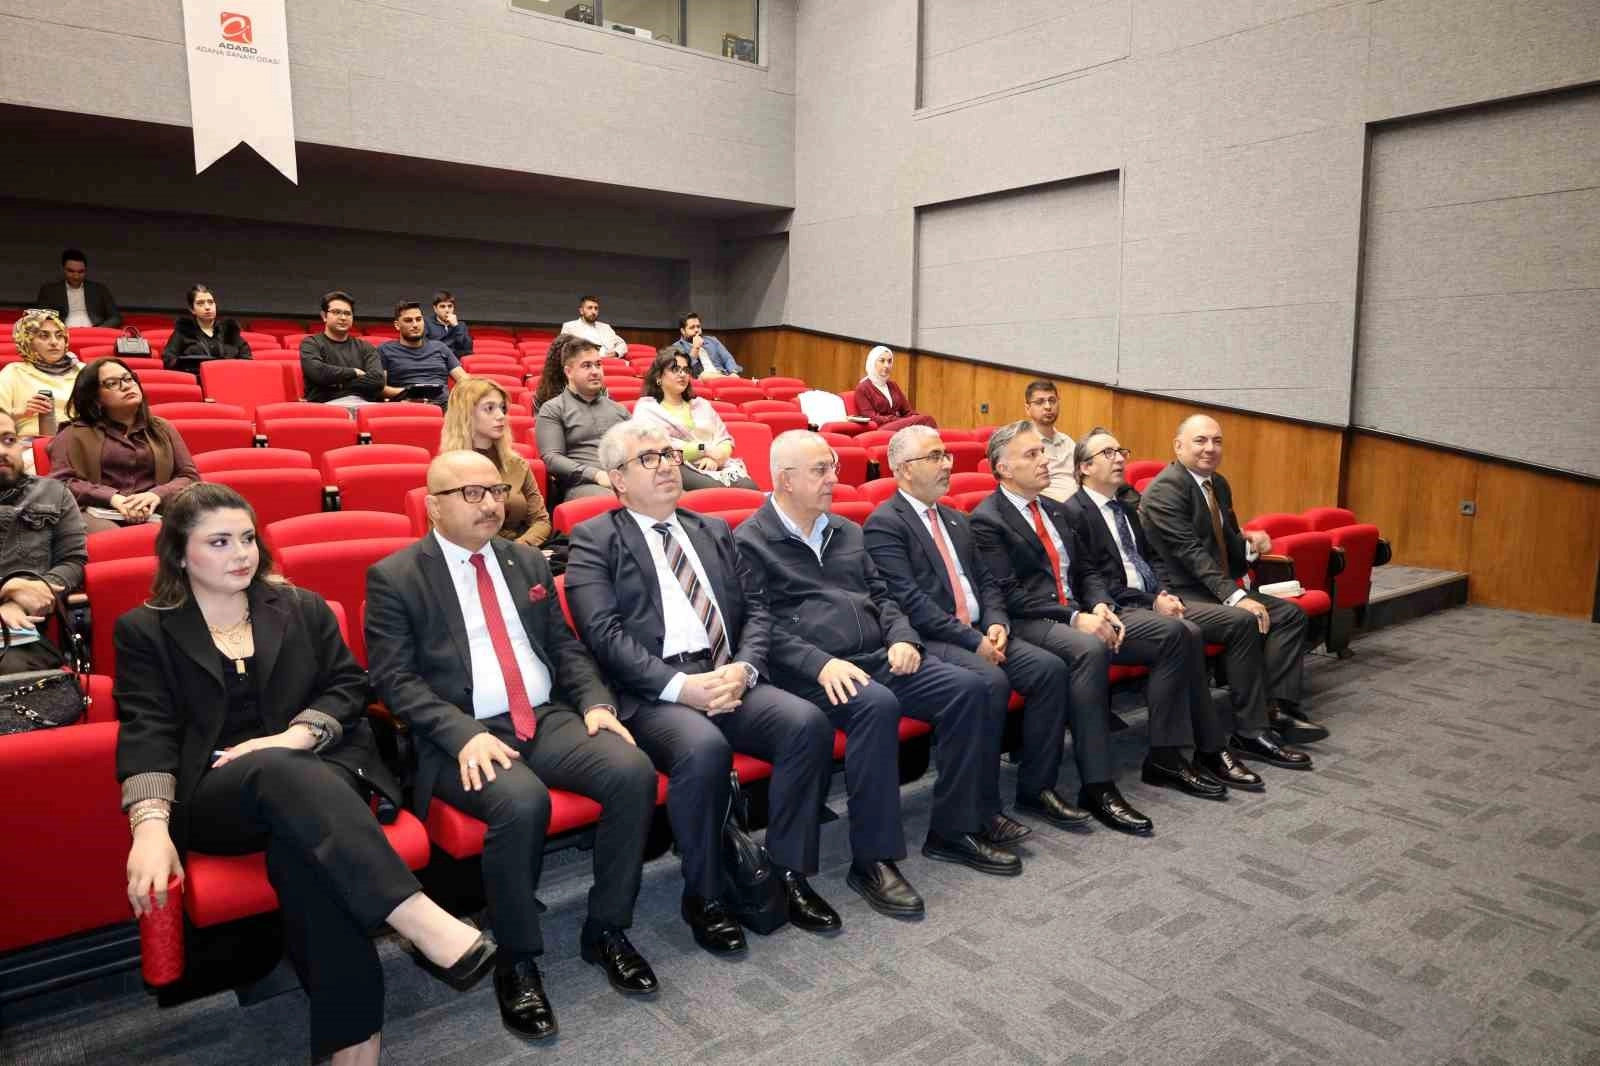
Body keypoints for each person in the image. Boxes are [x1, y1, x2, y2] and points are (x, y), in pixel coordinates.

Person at [116, 483, 496, 1065]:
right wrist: (148, 827)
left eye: (247, 538)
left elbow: (348, 687)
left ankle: (354, 1049)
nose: (241, 554)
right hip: (220, 795)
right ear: (179, 554)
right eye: (219, 542)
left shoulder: (301, 606)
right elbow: (148, 729)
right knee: (275, 775)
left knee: (306, 861)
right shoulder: (145, 630)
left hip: (322, 777)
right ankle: (414, 915)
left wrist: (293, 737)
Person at [365, 451, 660, 1041]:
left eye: (496, 491)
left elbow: (565, 647)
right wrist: (463, 733)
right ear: (434, 507)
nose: (491, 504)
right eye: (471, 494)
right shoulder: (396, 576)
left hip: (543, 717)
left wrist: (596, 704)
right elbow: (395, 681)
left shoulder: (524, 559)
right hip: (460, 734)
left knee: (632, 771)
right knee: (522, 802)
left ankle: (606, 928)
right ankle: (517, 957)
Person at [566, 421, 839, 954]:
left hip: (727, 672)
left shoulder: (711, 528)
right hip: (653, 691)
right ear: (618, 479)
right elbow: (603, 635)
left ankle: (787, 873)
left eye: (669, 454)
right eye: (649, 459)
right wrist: (680, 687)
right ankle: (706, 895)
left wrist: (745, 669)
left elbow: (756, 609)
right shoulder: (595, 539)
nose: (667, 465)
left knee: (806, 724)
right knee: (704, 748)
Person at [736, 430, 1017, 915]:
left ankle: (954, 830)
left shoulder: (846, 530)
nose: (833, 478)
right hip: (810, 671)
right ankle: (873, 858)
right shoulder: (750, 541)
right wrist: (820, 663)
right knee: (876, 705)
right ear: (784, 479)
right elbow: (760, 624)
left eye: (833, 467)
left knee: (970, 689)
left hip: (875, 657)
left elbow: (883, 597)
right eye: (820, 470)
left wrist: (902, 637)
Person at [863, 426, 1087, 832]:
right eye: (935, 457)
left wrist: (998, 621)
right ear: (904, 469)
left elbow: (987, 582)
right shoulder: (885, 523)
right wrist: (973, 639)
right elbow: (910, 601)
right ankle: (981, 809)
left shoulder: (954, 517)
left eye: (946, 455)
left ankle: (1037, 789)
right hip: (933, 638)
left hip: (982, 629)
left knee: (1049, 670)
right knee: (990, 681)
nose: (947, 464)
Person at [968, 422, 1158, 833]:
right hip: (1028, 620)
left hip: (1076, 612)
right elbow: (1009, 594)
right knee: (1088, 649)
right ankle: (1098, 786)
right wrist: (1075, 617)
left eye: (1043, 452)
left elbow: (1087, 571)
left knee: (1173, 634)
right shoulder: (987, 520)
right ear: (1003, 468)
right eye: (1032, 455)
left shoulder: (1056, 509)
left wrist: (1100, 604)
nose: (1045, 461)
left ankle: (1173, 755)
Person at [1060, 427, 1266, 795]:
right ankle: (1194, 751)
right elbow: (1091, 580)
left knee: (1205, 627)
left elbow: (1151, 560)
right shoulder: (1073, 513)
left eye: (1121, 451)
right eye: (1108, 453)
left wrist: (1162, 593)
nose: (1119, 458)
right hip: (1115, 609)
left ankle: (1204, 748)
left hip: (1149, 601)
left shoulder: (1126, 508)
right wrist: (1151, 602)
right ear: (1084, 468)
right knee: (1184, 633)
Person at [1139, 415, 1328, 761]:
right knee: (1245, 619)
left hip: (1213, 587)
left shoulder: (1218, 484)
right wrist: (1238, 597)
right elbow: (1192, 554)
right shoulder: (1166, 489)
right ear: (1178, 446)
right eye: (1200, 441)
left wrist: (1251, 545)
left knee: (1290, 615)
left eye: (1217, 441)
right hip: (1182, 593)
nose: (1210, 448)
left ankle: (1277, 709)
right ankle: (1250, 731)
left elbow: (1226, 543)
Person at [47, 359, 199, 533]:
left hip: (157, 510)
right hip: (97, 513)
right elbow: (60, 483)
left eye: (128, 379)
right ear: (95, 397)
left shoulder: (162, 428)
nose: (126, 386)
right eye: (112, 383)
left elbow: (189, 476)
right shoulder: (73, 434)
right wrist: (112, 498)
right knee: (116, 538)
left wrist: (156, 494)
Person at [0, 410, 87, 670]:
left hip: (23, 633)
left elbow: (72, 561)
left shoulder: (54, 493)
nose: (3, 451)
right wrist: (6, 588)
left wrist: (19, 602)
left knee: (12, 668)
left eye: (9, 440)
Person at [440, 378, 551, 548]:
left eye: (502, 408)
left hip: (524, 547)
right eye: (489, 408)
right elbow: (455, 533)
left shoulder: (516, 464)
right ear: (466, 415)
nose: (501, 416)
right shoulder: (449, 469)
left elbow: (541, 521)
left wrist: (521, 548)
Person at [631, 349, 758, 490]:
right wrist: (704, 449)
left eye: (686, 370)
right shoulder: (647, 408)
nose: (682, 374)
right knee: (715, 490)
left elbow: (724, 439)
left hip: (716, 464)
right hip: (676, 466)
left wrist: (717, 459)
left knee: (750, 487)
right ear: (659, 377)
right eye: (675, 369)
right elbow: (660, 449)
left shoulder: (701, 405)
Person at [535, 337, 630, 501]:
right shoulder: (553, 409)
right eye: (586, 366)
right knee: (613, 500)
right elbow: (552, 459)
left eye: (598, 364)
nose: (595, 371)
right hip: (584, 485)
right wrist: (596, 475)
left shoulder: (619, 409)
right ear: (568, 372)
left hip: (626, 478)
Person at [299, 291, 404, 408]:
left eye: (347, 313)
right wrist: (354, 372)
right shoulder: (311, 343)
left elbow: (378, 381)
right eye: (336, 312)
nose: (343, 317)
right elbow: (318, 372)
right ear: (324, 316)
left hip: (366, 405)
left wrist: (337, 384)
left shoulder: (365, 347)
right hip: (327, 406)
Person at [0, 308, 80, 443]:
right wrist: (21, 413)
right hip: (31, 445)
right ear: (28, 341)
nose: (54, 342)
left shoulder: (82, 370)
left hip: (78, 441)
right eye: (44, 336)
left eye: (59, 335)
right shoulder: (13, 372)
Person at [377, 301, 467, 405]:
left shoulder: (440, 347)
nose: (415, 325)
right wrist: (408, 392)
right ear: (397, 325)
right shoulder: (385, 350)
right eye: (408, 320)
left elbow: (464, 379)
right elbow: (380, 389)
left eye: (419, 319)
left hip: (443, 405)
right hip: (406, 405)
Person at [162, 285, 252, 376]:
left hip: (228, 379)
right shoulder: (183, 332)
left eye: (211, 302)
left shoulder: (230, 331)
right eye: (200, 303)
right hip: (196, 380)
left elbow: (247, 360)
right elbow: (169, 360)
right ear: (192, 309)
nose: (207, 307)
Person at [853, 345, 935, 431]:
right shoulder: (862, 388)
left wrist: (914, 417)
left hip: (898, 423)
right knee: (927, 420)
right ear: (872, 363)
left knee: (924, 421)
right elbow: (871, 417)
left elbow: (907, 411)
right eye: (882, 361)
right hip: (880, 428)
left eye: (889, 361)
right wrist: (899, 420)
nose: (887, 365)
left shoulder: (893, 385)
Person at [35, 248, 121, 327]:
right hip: (62, 333)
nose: (76, 276)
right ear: (63, 269)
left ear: (86, 270)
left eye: (81, 272)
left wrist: (99, 330)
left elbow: (115, 317)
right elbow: (40, 317)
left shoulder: (99, 289)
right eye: (71, 271)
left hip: (94, 332)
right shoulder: (49, 291)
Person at [1022, 380, 1076, 503]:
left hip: (1080, 505)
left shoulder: (1068, 441)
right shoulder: (1024, 444)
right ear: (1028, 408)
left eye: (1052, 400)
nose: (1048, 406)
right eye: (1040, 402)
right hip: (1047, 507)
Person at [669, 312, 742, 378]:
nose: (696, 330)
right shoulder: (677, 347)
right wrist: (695, 348)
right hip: (701, 378)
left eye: (698, 326)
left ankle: (730, 379)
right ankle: (729, 380)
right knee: (704, 375)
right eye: (692, 327)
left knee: (735, 375)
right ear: (683, 331)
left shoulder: (712, 340)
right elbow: (686, 369)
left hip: (722, 374)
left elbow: (727, 358)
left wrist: (733, 372)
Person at [560, 295, 630, 359]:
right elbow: (563, 350)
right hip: (585, 362)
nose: (593, 312)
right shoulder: (570, 327)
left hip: (610, 361)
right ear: (581, 311)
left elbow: (622, 344)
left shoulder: (606, 327)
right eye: (590, 308)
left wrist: (615, 353)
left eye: (596, 308)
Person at [426, 290, 474, 356]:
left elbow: (468, 349)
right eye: (442, 306)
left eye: (450, 306)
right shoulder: (427, 323)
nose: (447, 310)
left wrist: (456, 326)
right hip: (434, 358)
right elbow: (426, 346)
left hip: (455, 359)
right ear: (435, 309)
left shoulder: (461, 325)